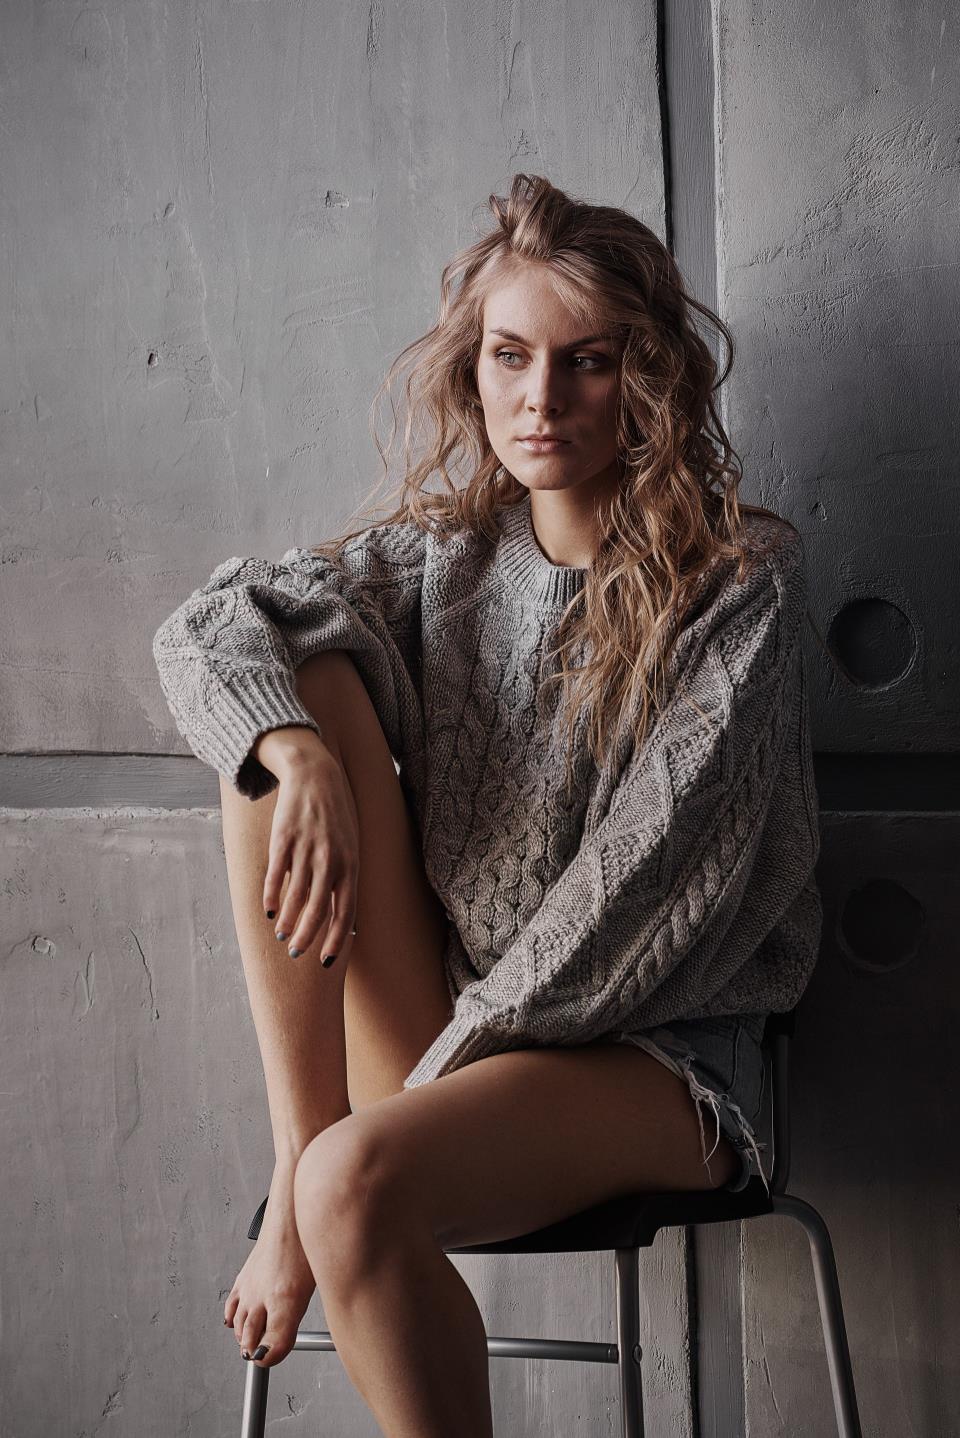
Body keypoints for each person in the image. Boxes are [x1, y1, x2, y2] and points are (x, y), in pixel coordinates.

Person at [152, 173, 822, 1437]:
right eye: (511, 356)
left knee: (353, 1183)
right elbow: (206, 626)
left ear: (646, 378)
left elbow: (640, 906)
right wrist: (295, 752)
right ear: (475, 369)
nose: (541, 398)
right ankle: (302, 1154)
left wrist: (404, 1105)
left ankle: (319, 1177)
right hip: (455, 1035)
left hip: (656, 1060)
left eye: (587, 361)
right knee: (293, 682)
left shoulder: (740, 585)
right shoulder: (440, 559)